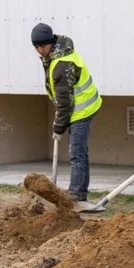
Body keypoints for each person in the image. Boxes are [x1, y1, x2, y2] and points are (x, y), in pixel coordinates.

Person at [31, 23, 102, 202]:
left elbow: (65, 102)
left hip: (82, 109)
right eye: (36, 47)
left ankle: (75, 196)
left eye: (43, 46)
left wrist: (58, 127)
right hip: (77, 106)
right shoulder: (57, 53)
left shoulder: (62, 64)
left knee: (76, 152)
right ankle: (81, 195)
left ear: (51, 43)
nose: (40, 50)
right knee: (81, 152)